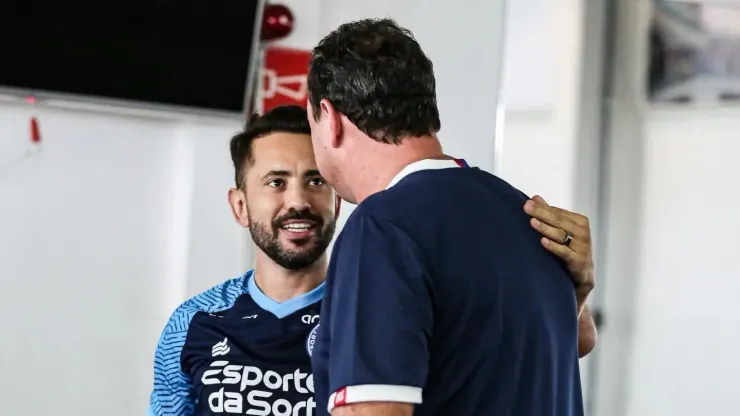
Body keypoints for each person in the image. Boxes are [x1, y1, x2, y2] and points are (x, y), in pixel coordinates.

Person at [148, 105, 596, 416]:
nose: (298, 201)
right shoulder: (193, 324)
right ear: (240, 205)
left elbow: (543, 345)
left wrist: (574, 289)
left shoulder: (385, 298)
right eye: (276, 182)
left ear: (338, 196)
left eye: (315, 181)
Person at [306, 19, 591, 416]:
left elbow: (374, 411)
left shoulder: (384, 226)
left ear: (329, 118)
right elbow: (576, 343)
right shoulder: (527, 215)